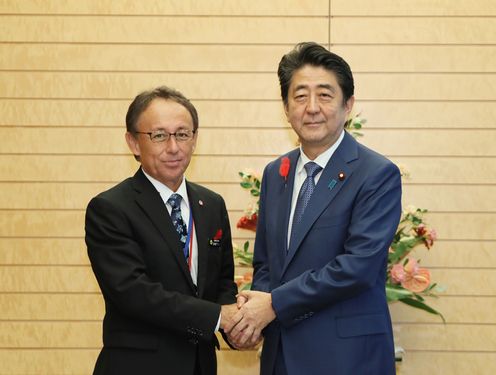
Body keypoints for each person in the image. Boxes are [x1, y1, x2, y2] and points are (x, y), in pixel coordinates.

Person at [231, 42, 402, 375]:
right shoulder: (274, 173)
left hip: (347, 358)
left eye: (324, 95)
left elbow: (357, 266)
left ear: (347, 104)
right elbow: (266, 262)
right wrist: (253, 317)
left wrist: (274, 305)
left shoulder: (376, 174)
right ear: (285, 106)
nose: (311, 108)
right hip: (282, 355)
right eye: (299, 96)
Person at [85, 86, 241, 375]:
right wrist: (219, 317)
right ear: (133, 143)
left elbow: (221, 283)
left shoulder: (212, 205)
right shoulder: (110, 208)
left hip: (200, 365)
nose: (173, 147)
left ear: (195, 140)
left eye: (183, 134)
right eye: (159, 135)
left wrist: (239, 326)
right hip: (137, 366)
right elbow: (133, 292)